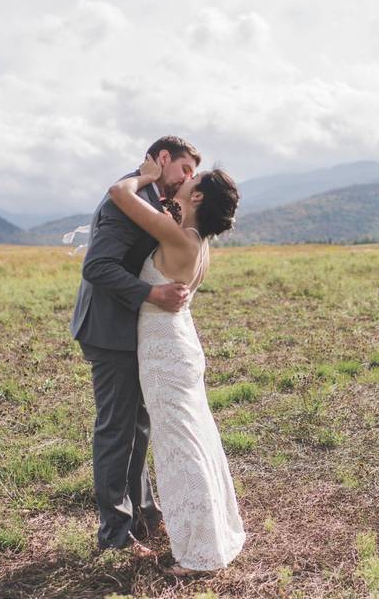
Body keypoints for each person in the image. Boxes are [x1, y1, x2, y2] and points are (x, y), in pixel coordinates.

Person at [108, 156, 245, 575]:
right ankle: (209, 537)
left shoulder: (179, 236)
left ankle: (201, 552)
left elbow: (118, 194)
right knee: (194, 440)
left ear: (198, 195)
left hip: (165, 350)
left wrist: (144, 177)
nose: (185, 179)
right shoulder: (197, 243)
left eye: (193, 178)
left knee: (180, 447)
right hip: (178, 343)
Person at [70, 136, 200, 554]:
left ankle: (144, 513)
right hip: (110, 330)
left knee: (139, 424)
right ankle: (115, 535)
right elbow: (97, 266)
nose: (188, 179)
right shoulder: (128, 196)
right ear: (162, 159)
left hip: (136, 331)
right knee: (116, 429)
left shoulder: (148, 196)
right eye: (184, 169)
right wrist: (151, 295)